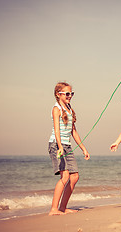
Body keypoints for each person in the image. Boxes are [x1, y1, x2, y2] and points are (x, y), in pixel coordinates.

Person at [48, 82, 90, 215]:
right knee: (65, 176)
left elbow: (74, 132)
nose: (70, 96)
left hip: (68, 146)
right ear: (58, 94)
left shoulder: (70, 110)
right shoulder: (56, 109)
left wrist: (83, 148)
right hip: (56, 145)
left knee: (75, 177)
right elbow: (57, 130)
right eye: (67, 93)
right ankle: (54, 209)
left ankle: (62, 207)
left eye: (71, 93)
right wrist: (59, 147)